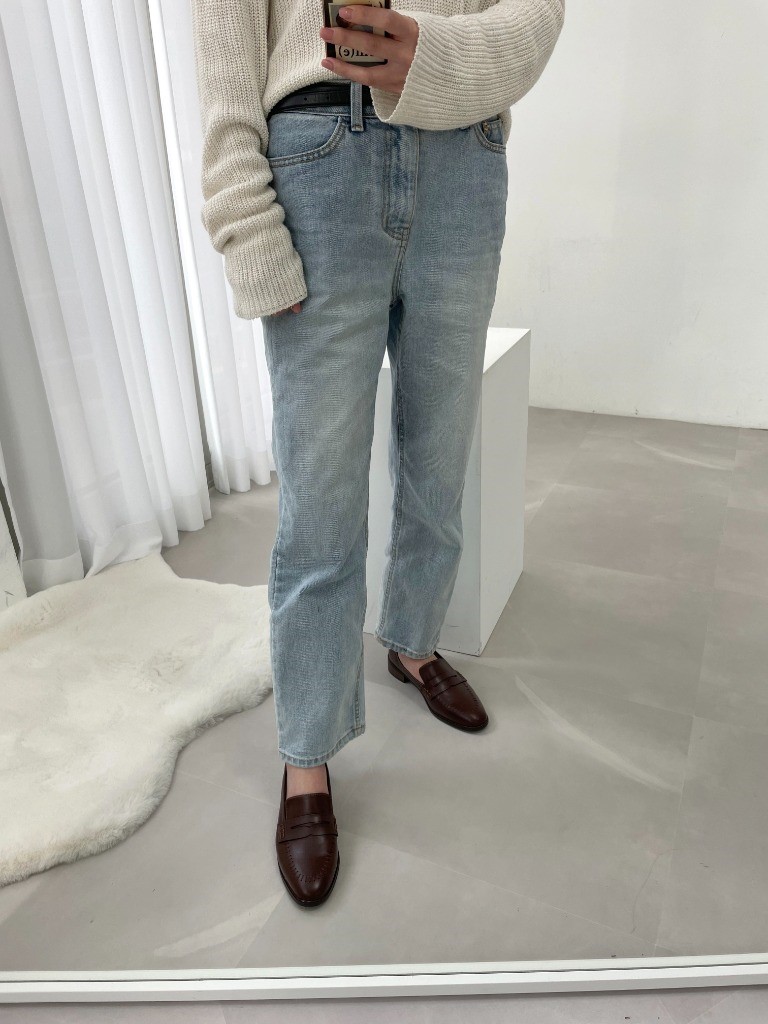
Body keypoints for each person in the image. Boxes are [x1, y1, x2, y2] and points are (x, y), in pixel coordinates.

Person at [191, 0, 565, 907]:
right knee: (319, 502)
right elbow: (225, 56)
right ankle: (307, 753)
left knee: (440, 452)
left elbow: (539, 13)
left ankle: (413, 641)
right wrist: (248, 230)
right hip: (320, 159)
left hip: (466, 164)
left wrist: (438, 53)